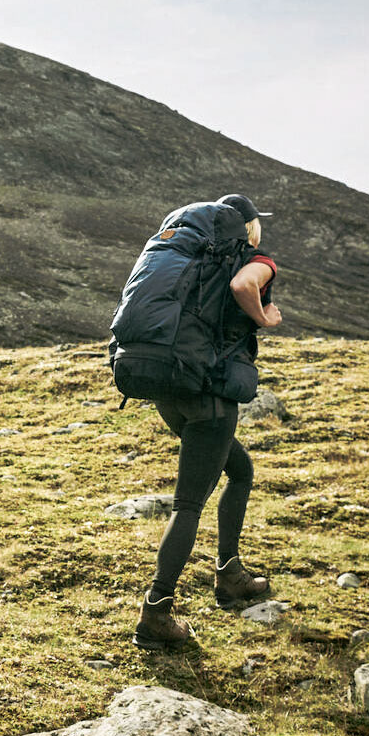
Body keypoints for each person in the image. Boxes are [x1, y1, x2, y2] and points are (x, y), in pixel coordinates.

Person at [132, 193, 281, 651]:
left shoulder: (185, 254)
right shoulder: (254, 258)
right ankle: (155, 615)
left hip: (169, 389)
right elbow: (243, 287)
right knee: (188, 504)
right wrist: (264, 317)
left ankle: (230, 573)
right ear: (248, 226)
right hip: (209, 395)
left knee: (239, 469)